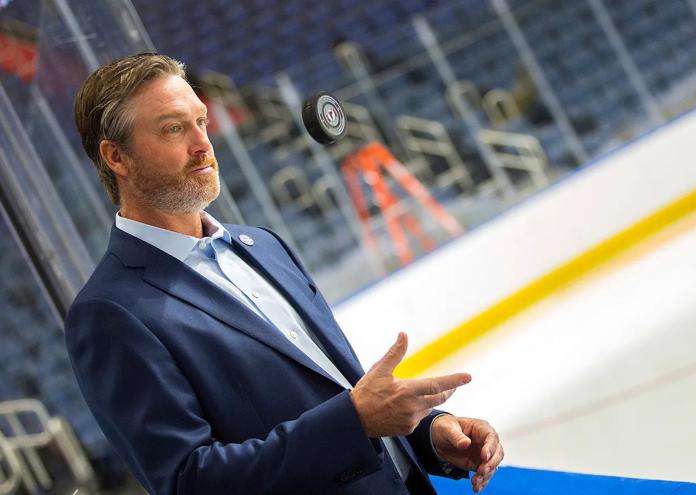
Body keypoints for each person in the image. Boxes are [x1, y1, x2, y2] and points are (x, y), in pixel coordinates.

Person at [66, 52, 503, 495]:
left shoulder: (264, 245)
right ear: (117, 157)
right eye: (174, 128)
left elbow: (336, 394)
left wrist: (427, 435)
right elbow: (189, 481)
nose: (203, 144)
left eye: (201, 120)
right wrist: (353, 422)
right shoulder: (109, 311)